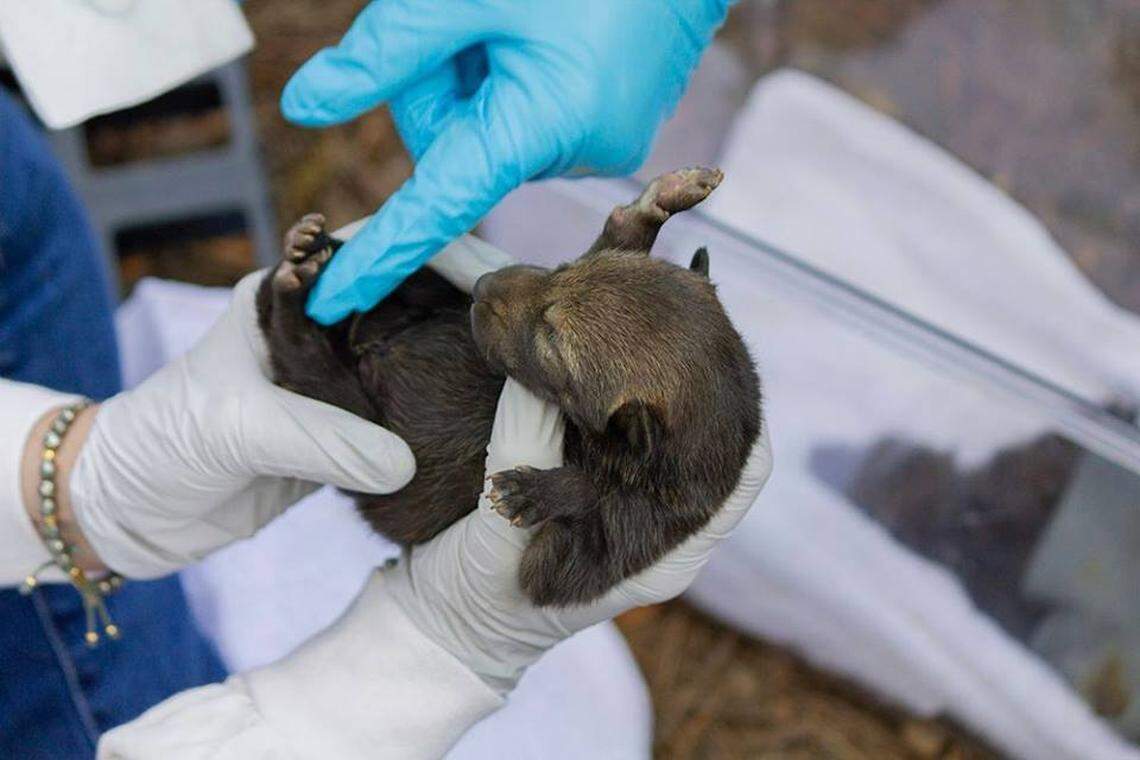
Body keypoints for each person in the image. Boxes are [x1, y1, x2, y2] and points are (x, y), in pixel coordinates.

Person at [2, 1, 772, 756]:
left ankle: (298, 328)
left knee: (38, 226)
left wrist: (65, 471)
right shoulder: (623, 399)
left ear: (631, 430)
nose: (506, 291)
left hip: (409, 444)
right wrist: (426, 658)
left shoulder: (643, 422)